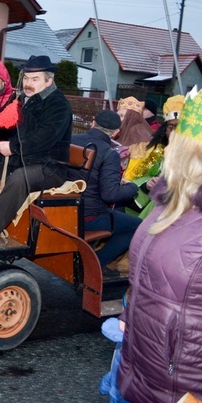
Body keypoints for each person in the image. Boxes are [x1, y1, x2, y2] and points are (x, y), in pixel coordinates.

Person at [117, 88, 202, 403]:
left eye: (176, 140)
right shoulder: (172, 202)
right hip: (139, 379)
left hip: (181, 393)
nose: (167, 147)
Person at [0, 55, 72, 247]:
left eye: (35, 79)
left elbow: (44, 138)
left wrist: (12, 147)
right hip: (17, 159)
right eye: (26, 78)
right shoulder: (19, 98)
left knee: (20, 177)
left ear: (49, 81)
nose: (28, 83)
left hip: (49, 166)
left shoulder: (59, 105)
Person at [68, 109, 142, 277]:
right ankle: (95, 262)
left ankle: (92, 261)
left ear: (93, 123)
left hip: (63, 209)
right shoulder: (109, 154)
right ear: (116, 133)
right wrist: (132, 188)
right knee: (137, 225)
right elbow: (110, 195)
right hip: (88, 216)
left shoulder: (71, 141)